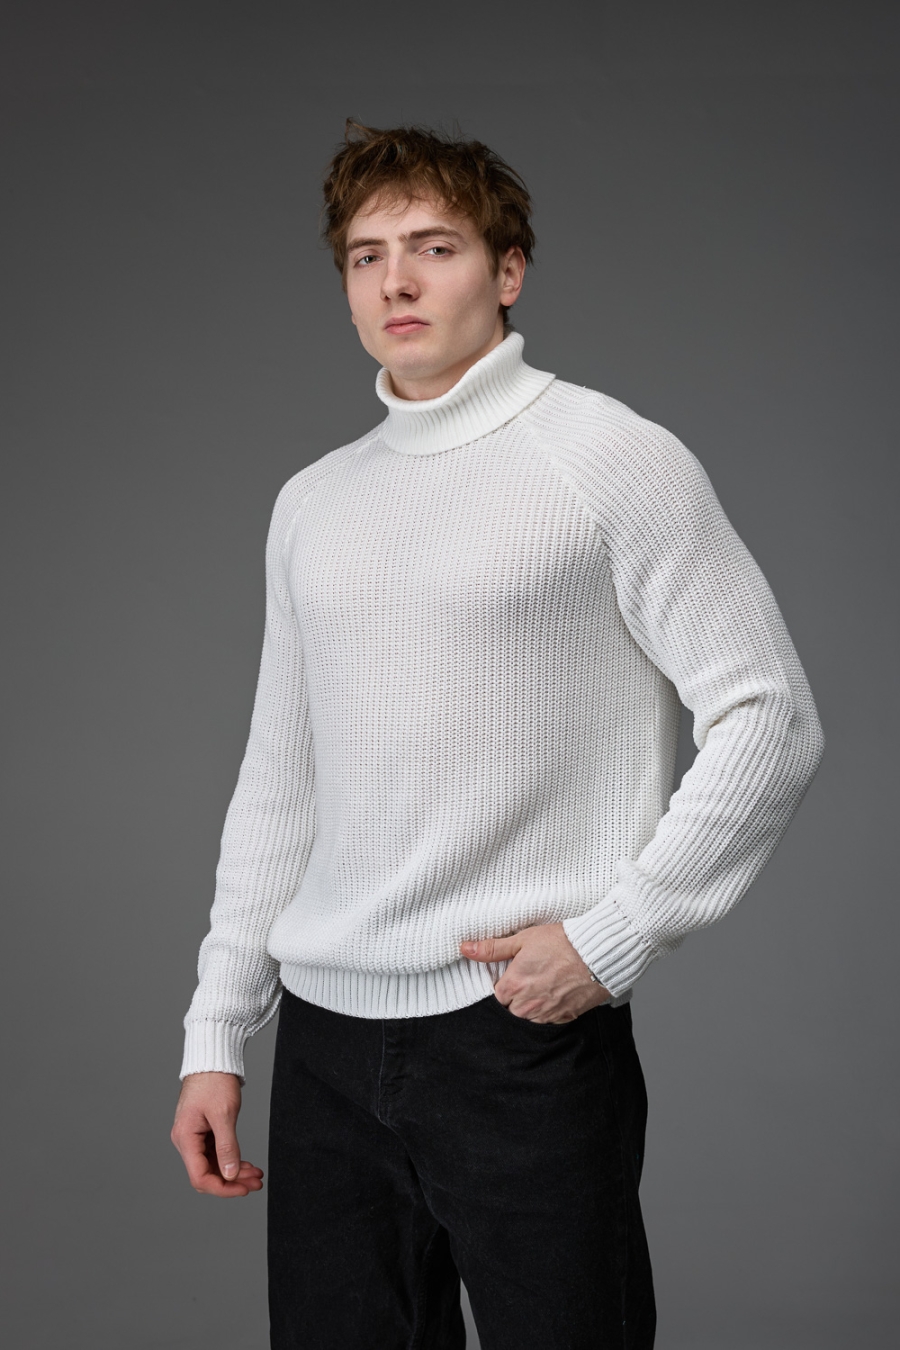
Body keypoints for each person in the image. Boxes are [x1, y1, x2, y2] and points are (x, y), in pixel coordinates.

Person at [171, 120, 824, 1349]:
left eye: (435, 246)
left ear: (508, 269)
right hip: (323, 1047)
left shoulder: (610, 458)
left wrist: (616, 935)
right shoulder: (312, 502)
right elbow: (281, 781)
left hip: (517, 1037)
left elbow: (770, 715)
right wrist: (217, 1033)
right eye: (367, 257)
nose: (397, 282)